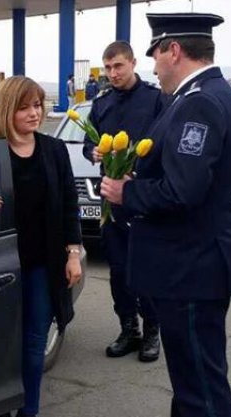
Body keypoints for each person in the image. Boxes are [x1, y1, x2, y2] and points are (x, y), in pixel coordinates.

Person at [100, 13, 231, 417]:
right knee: (192, 383)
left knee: (200, 387)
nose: (154, 65)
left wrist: (125, 191)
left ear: (175, 50)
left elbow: (183, 191)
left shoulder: (199, 102)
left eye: (156, 54)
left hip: (191, 269)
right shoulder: (200, 95)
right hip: (192, 266)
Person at [0, 76, 83, 417]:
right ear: (7, 110)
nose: (35, 113)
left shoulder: (54, 151)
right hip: (0, 267)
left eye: (38, 105)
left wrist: (73, 255)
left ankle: (29, 410)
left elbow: (69, 206)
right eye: (25, 107)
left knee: (33, 343)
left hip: (43, 263)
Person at [82, 41, 164, 362]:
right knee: (118, 269)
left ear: (132, 63)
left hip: (143, 199)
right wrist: (94, 152)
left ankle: (152, 330)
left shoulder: (156, 100)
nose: (113, 73)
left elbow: (162, 145)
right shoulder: (101, 103)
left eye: (118, 66)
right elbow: (89, 141)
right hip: (110, 202)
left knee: (145, 267)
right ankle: (128, 328)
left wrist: (138, 169)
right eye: (107, 68)